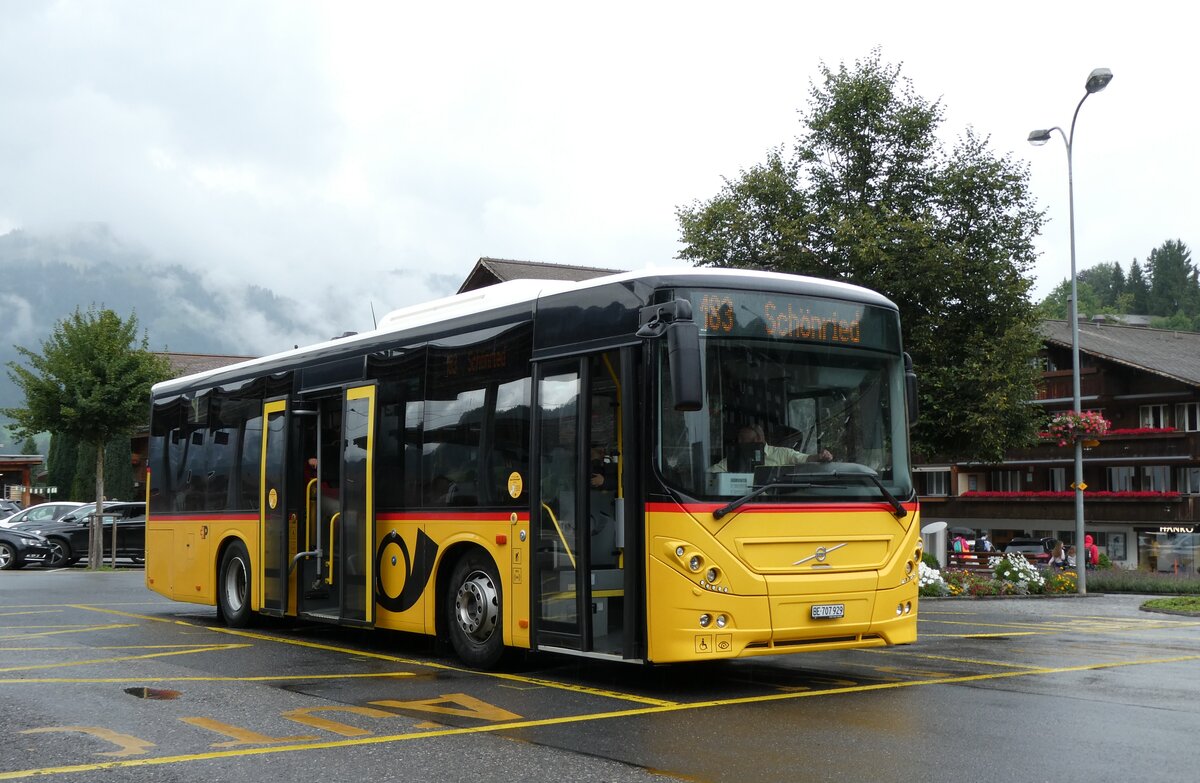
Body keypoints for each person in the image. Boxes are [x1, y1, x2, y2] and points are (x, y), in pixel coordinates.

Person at [710, 424, 833, 472]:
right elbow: (711, 473)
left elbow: (804, 459)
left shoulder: (783, 454)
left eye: (743, 439)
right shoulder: (735, 460)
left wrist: (820, 457)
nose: (739, 443)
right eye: (739, 440)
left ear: (758, 440)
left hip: (775, 506)